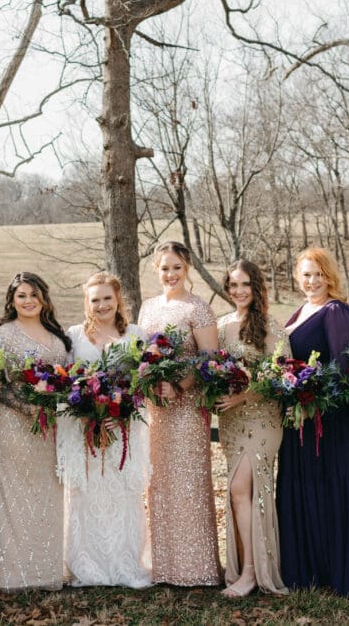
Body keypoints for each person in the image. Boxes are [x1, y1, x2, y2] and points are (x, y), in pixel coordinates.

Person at [276, 247, 349, 597]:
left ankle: (343, 570)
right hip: (303, 417)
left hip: (332, 420)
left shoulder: (336, 311)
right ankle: (311, 568)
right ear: (297, 276)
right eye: (306, 274)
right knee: (309, 487)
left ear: (330, 277)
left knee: (334, 488)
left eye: (319, 274)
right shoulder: (299, 311)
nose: (312, 281)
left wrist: (312, 397)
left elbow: (343, 366)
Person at [58, 272, 151, 589]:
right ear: (87, 302)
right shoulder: (73, 336)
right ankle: (87, 563)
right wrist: (85, 414)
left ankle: (124, 563)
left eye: (107, 298)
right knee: (85, 494)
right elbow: (67, 383)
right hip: (84, 429)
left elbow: (142, 386)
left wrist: (123, 413)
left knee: (122, 493)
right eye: (94, 299)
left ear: (118, 299)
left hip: (122, 429)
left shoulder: (135, 335)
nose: (101, 305)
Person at [138, 240, 222, 587]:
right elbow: (142, 354)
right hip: (156, 411)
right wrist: (148, 381)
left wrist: (180, 386)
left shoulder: (198, 308)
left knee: (188, 483)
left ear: (186, 267)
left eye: (176, 267)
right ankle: (165, 567)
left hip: (188, 409)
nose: (170, 274)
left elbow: (210, 359)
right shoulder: (147, 307)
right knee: (159, 485)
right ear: (156, 270)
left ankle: (196, 568)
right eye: (164, 268)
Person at [0, 272, 72, 592]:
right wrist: (26, 407)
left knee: (47, 493)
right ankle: (12, 574)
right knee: (14, 495)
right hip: (12, 424)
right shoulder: (2, 336)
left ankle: (46, 572)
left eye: (34, 294)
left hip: (49, 427)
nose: (28, 301)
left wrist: (52, 402)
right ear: (12, 300)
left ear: (44, 298)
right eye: (21, 295)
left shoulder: (56, 335)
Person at [215, 260, 287, 597]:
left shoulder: (271, 326)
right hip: (230, 420)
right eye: (233, 285)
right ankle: (246, 567)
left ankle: (252, 573)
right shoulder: (222, 325)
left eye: (245, 284)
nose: (239, 291)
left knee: (241, 489)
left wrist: (243, 395)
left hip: (262, 419)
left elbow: (281, 377)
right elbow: (212, 368)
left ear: (256, 288)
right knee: (239, 492)